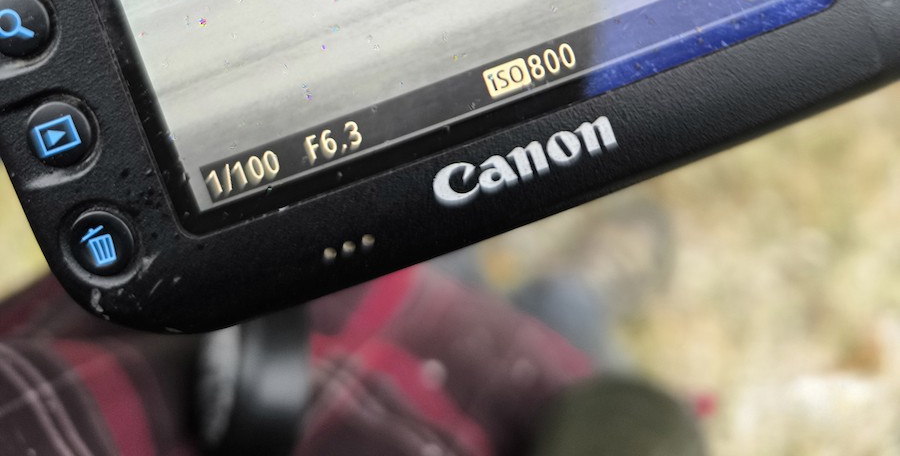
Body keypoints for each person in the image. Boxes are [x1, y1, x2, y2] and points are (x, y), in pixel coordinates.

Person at [0, 261, 705, 455]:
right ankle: (580, 284)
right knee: (570, 314)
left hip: (304, 302)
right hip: (505, 378)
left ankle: (571, 282)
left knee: (425, 223)